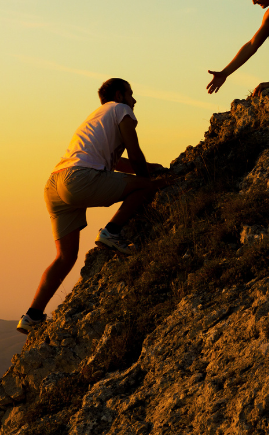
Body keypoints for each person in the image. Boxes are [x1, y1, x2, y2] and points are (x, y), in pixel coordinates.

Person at [16, 78, 167, 334]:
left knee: (65, 257)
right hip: (79, 179)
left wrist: (151, 167)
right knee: (145, 187)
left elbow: (117, 164)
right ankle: (112, 232)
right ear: (120, 95)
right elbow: (134, 152)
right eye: (131, 94)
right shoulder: (121, 110)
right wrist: (150, 178)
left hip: (54, 184)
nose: (135, 100)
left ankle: (32, 316)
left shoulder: (97, 117)